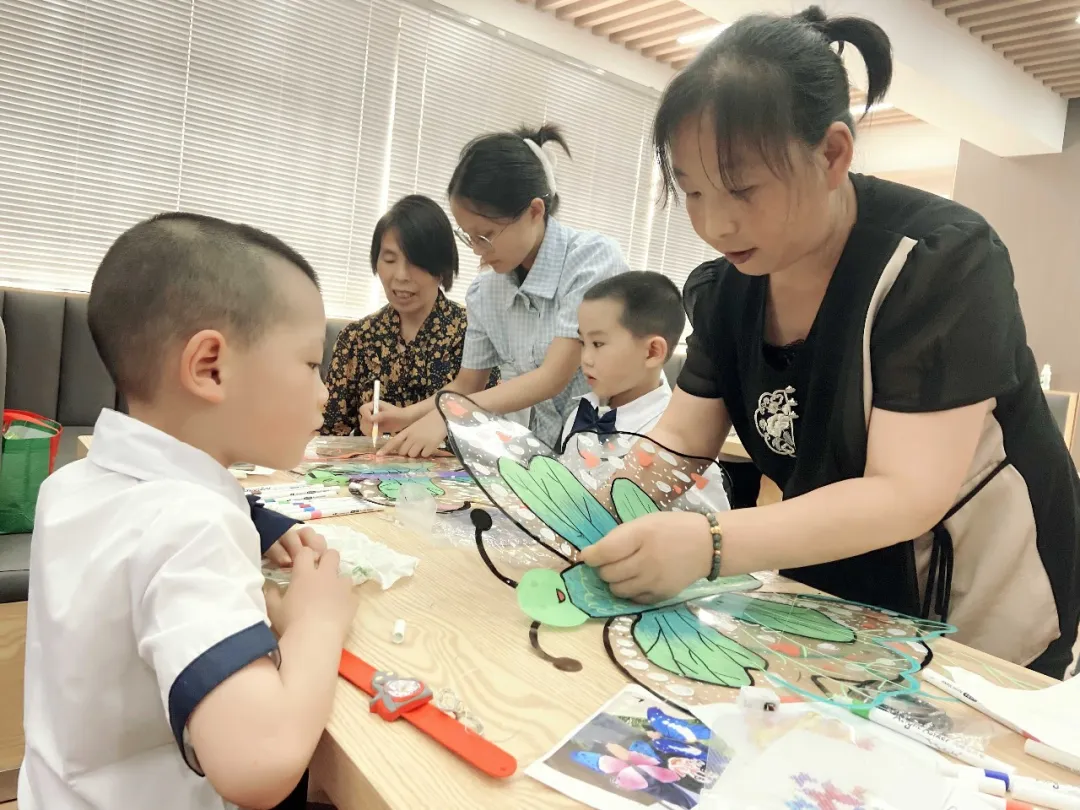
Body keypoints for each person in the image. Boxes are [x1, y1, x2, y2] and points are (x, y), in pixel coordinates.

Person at [579, 6, 1080, 677]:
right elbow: (679, 441)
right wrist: (597, 506)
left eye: (741, 189)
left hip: (973, 593)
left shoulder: (938, 260)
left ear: (833, 154)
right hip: (837, 581)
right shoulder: (728, 287)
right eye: (693, 192)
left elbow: (906, 493)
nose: (716, 224)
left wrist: (710, 542)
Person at [20, 213, 358, 810]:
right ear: (210, 367)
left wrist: (255, 524)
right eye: (311, 365)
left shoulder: (70, 486)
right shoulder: (191, 527)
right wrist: (318, 619)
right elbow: (260, 762)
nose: (324, 391)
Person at [367, 124, 630, 455]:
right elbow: (466, 384)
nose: (478, 250)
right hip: (544, 457)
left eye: (486, 236)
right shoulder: (486, 291)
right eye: (469, 237)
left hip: (611, 450)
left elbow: (552, 377)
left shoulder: (591, 261)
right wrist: (404, 416)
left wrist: (449, 416)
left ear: (535, 212)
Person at [321, 195, 497, 435]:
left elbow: (488, 425)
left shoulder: (473, 333)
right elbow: (328, 436)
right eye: (389, 259)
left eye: (415, 262)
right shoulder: (356, 339)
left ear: (441, 266)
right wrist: (362, 430)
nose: (401, 275)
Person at [559, 271, 683, 449]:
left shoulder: (672, 440)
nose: (585, 359)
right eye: (582, 342)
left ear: (652, 352)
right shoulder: (582, 411)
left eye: (598, 344)